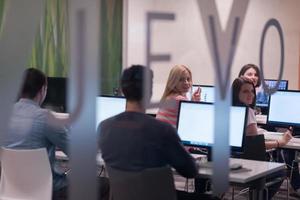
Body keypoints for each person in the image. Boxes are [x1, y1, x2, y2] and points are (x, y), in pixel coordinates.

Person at [99, 65, 218, 200]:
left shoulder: (104, 128)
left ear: (123, 91)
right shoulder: (162, 130)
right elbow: (190, 171)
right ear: (149, 92)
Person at [5, 68, 109, 200]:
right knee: (104, 184)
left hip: (12, 189)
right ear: (43, 90)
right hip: (50, 190)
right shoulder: (45, 118)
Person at [231, 76, 292, 199]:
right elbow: (255, 145)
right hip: (245, 166)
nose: (250, 95)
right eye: (245, 91)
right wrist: (281, 142)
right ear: (236, 93)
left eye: (252, 91)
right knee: (281, 170)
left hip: (228, 162)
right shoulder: (247, 112)